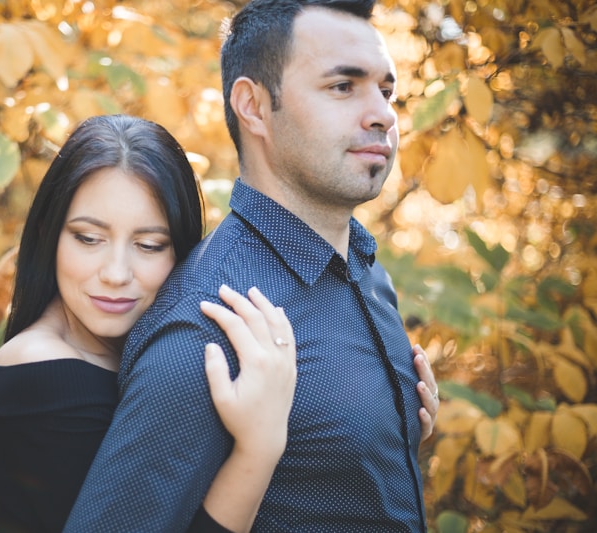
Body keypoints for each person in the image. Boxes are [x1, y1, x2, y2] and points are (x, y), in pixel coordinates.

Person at [64, 0, 439, 531]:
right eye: (342, 86)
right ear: (254, 106)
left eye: (385, 89)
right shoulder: (211, 329)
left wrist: (393, 428)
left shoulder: (365, 270)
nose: (382, 114)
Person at [0, 114, 299, 533]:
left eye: (148, 245)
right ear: (48, 233)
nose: (115, 273)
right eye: (88, 239)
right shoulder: (41, 367)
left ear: (181, 252)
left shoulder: (145, 349)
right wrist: (258, 449)